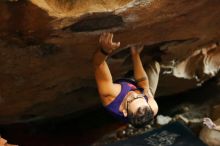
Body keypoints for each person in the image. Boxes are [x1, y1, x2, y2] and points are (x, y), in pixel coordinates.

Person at [93, 32, 160, 128]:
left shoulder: (110, 94)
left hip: (119, 85)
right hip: (141, 88)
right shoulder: (152, 107)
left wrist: (104, 51)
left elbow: (98, 64)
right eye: (139, 97)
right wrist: (135, 54)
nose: (134, 94)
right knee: (154, 66)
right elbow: (143, 83)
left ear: (124, 111)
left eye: (131, 99)